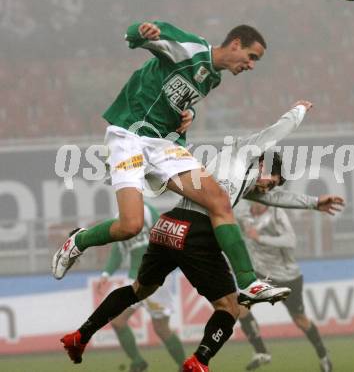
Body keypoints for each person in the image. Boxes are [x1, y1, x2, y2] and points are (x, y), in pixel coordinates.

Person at [60, 100, 330, 371]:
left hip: (168, 226)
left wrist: (313, 202)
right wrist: (300, 111)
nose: (269, 187)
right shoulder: (244, 152)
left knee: (138, 290)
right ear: (266, 163)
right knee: (229, 307)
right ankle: (199, 361)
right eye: (272, 180)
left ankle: (80, 335)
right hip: (196, 233)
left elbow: (275, 198)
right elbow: (278, 130)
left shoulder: (244, 179)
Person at [52, 19, 287, 303]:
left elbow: (179, 101)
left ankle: (249, 283)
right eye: (252, 57)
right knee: (130, 226)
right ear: (236, 44)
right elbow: (138, 33)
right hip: (129, 134)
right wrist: (141, 31)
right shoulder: (190, 49)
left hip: (164, 144)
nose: (251, 65)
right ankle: (78, 241)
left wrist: (189, 115)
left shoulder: (213, 77)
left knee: (219, 201)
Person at [237, 200, 343, 372]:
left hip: (288, 277)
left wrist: (261, 238)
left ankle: (323, 356)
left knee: (300, 320)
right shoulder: (243, 213)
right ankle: (261, 351)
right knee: (240, 306)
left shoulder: (276, 213)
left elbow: (290, 240)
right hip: (264, 275)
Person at [97, 200, 185, 372]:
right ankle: (138, 362)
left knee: (160, 327)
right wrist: (106, 273)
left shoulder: (147, 211)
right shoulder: (119, 219)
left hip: (155, 277)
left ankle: (185, 366)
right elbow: (118, 250)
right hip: (134, 278)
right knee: (117, 320)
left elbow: (166, 236)